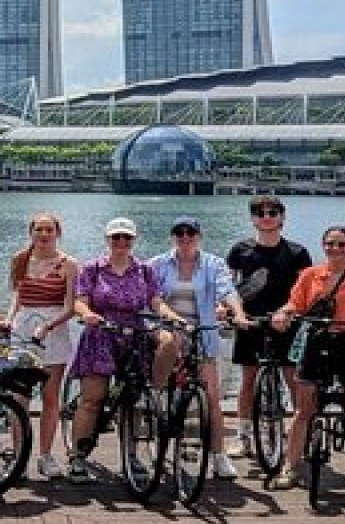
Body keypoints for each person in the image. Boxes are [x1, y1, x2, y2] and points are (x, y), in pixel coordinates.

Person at [65, 217, 187, 483]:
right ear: (107, 240)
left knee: (133, 397)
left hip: (134, 331)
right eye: (116, 238)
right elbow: (80, 300)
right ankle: (77, 457)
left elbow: (155, 301)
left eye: (126, 238)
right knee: (92, 399)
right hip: (102, 331)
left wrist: (171, 315)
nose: (121, 243)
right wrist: (87, 314)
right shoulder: (92, 268)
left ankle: (133, 450)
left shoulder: (144, 270)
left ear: (133, 241)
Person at [270, 226, 345, 491]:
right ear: (323, 246)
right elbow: (295, 303)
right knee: (303, 411)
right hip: (318, 342)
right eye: (330, 244)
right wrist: (282, 314)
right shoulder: (310, 275)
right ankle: (290, 467)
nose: (335, 249)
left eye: (341, 244)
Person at [147, 216, 251, 479]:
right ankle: (153, 396)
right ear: (172, 237)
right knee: (171, 342)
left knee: (212, 397)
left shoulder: (213, 264)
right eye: (179, 232)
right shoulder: (157, 264)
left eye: (190, 233)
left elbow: (227, 290)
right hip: (167, 327)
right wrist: (170, 317)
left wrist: (237, 313)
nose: (185, 237)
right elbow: (151, 297)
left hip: (202, 332)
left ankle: (218, 455)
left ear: (198, 236)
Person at [226, 194, 312, 461]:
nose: (267, 216)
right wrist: (229, 310)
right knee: (248, 379)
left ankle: (299, 436)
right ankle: (244, 437)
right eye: (260, 212)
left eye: (273, 212)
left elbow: (305, 290)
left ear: (282, 217)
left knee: (292, 378)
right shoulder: (240, 250)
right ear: (253, 218)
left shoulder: (297, 252)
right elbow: (228, 287)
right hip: (250, 321)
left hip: (286, 322)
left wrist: (289, 313)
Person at [0, 212, 80, 481]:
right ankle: (18, 455)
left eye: (49, 230)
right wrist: (8, 319)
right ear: (31, 233)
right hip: (23, 328)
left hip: (52, 331)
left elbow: (70, 307)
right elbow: (17, 296)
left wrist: (49, 326)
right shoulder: (19, 259)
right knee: (18, 397)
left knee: (49, 397)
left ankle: (45, 455)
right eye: (39, 230)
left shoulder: (68, 264)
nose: (44, 235)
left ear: (58, 233)